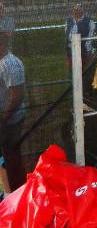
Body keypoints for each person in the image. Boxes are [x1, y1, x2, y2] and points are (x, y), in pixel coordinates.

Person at [0, 32, 27, 192]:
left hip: (11, 120)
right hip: (5, 119)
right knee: (7, 155)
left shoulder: (10, 64)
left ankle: (18, 189)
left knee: (11, 155)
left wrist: (3, 119)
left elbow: (17, 96)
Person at [64, 4, 94, 69]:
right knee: (71, 69)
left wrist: (88, 50)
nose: (76, 12)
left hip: (83, 50)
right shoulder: (68, 20)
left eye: (78, 10)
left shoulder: (89, 21)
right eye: (75, 10)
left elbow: (90, 37)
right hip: (70, 49)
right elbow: (67, 34)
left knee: (85, 69)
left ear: (82, 11)